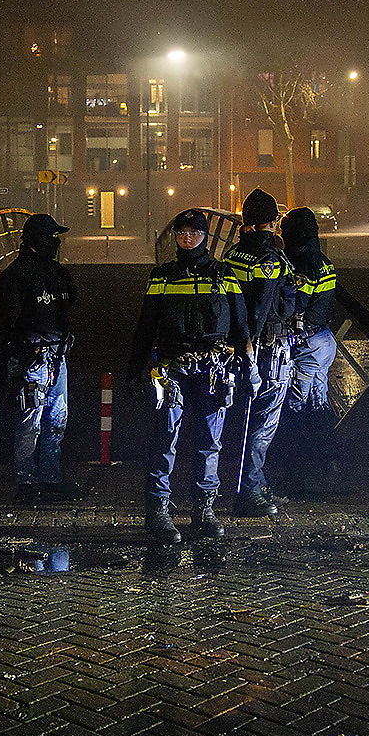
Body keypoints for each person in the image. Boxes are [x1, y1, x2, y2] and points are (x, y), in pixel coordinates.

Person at [128, 208, 246, 543]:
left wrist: (247, 366)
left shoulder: (224, 275)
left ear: (205, 237)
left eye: (193, 233)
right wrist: (135, 369)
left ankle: (204, 509)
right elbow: (145, 326)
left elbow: (241, 325)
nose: (187, 238)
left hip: (213, 369)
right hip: (173, 368)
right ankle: (157, 511)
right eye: (181, 233)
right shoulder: (162, 276)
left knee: (209, 441)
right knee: (165, 438)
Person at [0, 213, 80, 503]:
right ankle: (26, 481)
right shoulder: (17, 275)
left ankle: (50, 477)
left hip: (56, 355)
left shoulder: (58, 273)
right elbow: (6, 321)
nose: (55, 242)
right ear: (34, 240)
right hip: (30, 358)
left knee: (57, 419)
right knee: (31, 420)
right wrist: (0, 360)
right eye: (51, 237)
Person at [226, 188, 296, 516]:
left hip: (236, 348)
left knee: (239, 419)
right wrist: (251, 348)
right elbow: (262, 306)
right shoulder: (269, 259)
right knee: (263, 422)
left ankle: (242, 483)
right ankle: (250, 492)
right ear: (272, 222)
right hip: (267, 350)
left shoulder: (232, 255)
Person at [275, 206, 339, 498]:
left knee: (296, 409)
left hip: (305, 346)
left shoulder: (301, 266)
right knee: (320, 406)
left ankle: (298, 477)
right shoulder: (324, 261)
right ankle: (331, 471)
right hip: (323, 341)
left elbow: (293, 306)